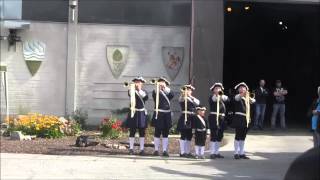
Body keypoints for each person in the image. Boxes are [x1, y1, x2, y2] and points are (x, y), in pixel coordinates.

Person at [151, 77, 174, 157]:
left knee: (165, 133)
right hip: (159, 114)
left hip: (166, 114)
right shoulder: (155, 91)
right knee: (157, 132)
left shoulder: (167, 91)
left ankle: (164, 150)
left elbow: (172, 95)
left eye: (162, 82)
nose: (161, 84)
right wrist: (158, 87)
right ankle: (156, 150)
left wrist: (164, 87)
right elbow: (154, 94)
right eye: (159, 82)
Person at [125, 77, 148, 155]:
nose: (137, 83)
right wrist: (133, 88)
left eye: (138, 82)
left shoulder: (144, 91)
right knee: (132, 131)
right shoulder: (131, 90)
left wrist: (139, 89)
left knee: (142, 131)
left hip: (141, 113)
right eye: (136, 82)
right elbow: (129, 94)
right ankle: (131, 149)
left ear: (142, 83)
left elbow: (146, 97)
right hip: (133, 113)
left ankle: (142, 149)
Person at [232, 82, 255, 160]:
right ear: (238, 90)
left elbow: (254, 101)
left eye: (244, 88)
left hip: (246, 119)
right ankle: (236, 153)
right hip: (239, 118)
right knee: (238, 135)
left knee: (243, 137)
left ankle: (241, 153)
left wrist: (248, 95)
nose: (242, 89)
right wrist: (243, 94)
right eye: (241, 88)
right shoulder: (237, 96)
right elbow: (237, 98)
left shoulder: (247, 98)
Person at [177, 84, 200, 158]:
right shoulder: (183, 97)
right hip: (185, 116)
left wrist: (190, 96)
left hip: (191, 117)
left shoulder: (192, 98)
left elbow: (198, 103)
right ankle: (182, 152)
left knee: (189, 135)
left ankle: (187, 151)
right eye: (187, 89)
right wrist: (184, 94)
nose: (188, 91)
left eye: (189, 90)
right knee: (183, 135)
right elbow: (180, 100)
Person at [208, 83, 229, 159]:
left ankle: (217, 152)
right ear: (213, 90)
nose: (218, 90)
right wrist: (217, 95)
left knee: (220, 135)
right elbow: (214, 99)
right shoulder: (212, 97)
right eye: (216, 88)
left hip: (222, 118)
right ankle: (212, 153)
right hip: (214, 117)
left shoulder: (222, 98)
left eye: (219, 88)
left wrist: (221, 95)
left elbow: (228, 99)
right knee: (214, 135)